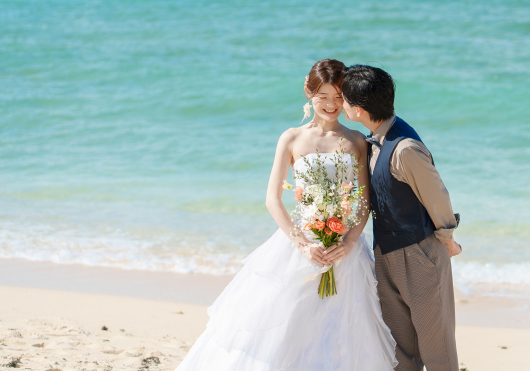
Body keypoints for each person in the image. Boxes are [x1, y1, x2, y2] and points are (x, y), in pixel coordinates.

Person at [175, 59, 397, 371]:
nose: (331, 105)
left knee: (342, 329)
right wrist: (303, 245)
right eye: (323, 96)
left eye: (338, 97)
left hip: (343, 250)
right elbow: (272, 199)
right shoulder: (291, 138)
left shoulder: (357, 141)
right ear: (309, 94)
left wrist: (348, 243)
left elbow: (363, 202)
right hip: (301, 244)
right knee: (287, 325)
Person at [342, 65, 462, 371]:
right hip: (385, 254)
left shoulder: (404, 149)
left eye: (342, 99)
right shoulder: (371, 141)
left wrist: (448, 240)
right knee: (399, 351)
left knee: (437, 348)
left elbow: (437, 197)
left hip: (420, 254)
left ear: (356, 110)